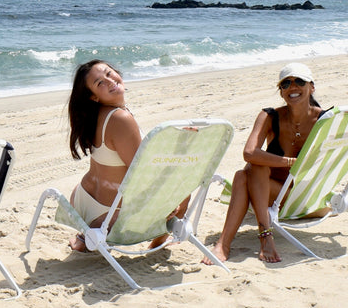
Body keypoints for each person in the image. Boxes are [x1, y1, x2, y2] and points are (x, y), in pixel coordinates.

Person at [202, 62, 328, 265]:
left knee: (246, 173)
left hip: (298, 195)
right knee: (248, 170)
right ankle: (245, 239)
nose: (292, 87)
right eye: (285, 84)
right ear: (281, 92)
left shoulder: (324, 120)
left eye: (299, 81)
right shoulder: (270, 116)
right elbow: (249, 152)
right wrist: (291, 161)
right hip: (268, 191)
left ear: (311, 87)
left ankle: (232, 242)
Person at [66, 59, 186, 252]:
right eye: (100, 83)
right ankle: (157, 243)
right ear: (94, 97)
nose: (109, 81)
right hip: (108, 214)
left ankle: (83, 239)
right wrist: (166, 201)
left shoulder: (99, 115)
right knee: (183, 185)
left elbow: (131, 154)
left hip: (82, 200)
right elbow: (142, 174)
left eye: (109, 73)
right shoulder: (120, 118)